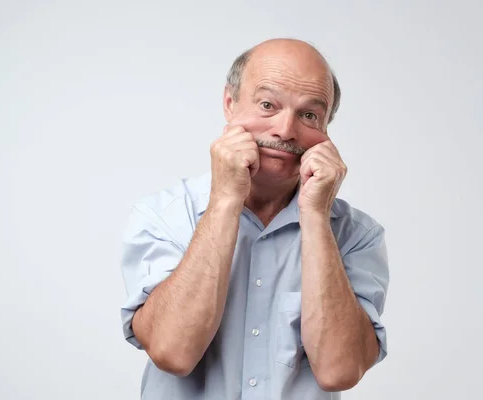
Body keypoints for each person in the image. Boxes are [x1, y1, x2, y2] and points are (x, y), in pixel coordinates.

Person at [119, 38, 390, 400]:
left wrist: (315, 218)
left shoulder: (358, 235)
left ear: (326, 128)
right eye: (267, 105)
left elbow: (339, 370)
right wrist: (225, 200)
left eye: (309, 114)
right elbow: (173, 352)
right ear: (230, 103)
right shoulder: (164, 216)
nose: (285, 130)